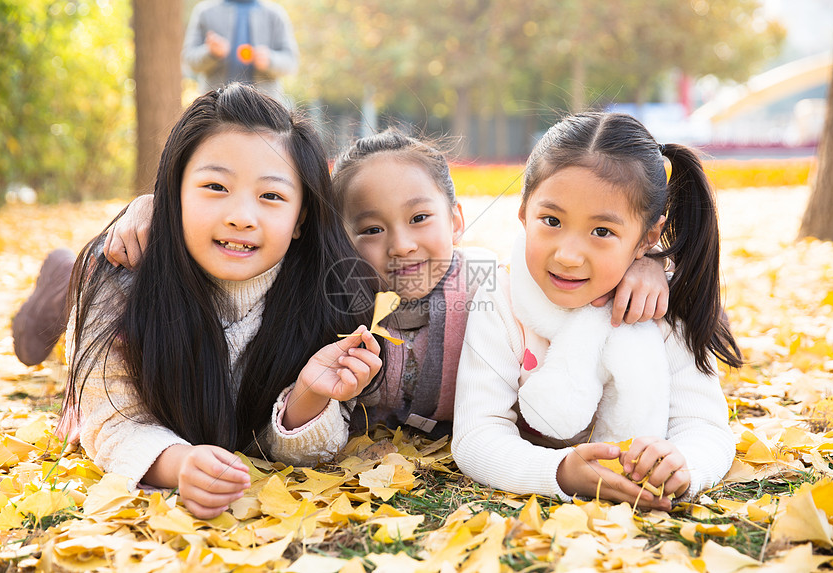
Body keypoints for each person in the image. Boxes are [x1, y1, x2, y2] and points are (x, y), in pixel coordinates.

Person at [104, 128, 671, 442]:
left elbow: (567, 265)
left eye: (420, 219)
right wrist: (149, 206)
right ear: (341, 237)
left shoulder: (478, 280)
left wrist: (650, 266)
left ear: (454, 220)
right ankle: (62, 279)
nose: (400, 244)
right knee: (91, 277)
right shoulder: (332, 294)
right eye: (371, 229)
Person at [56, 84, 384, 519]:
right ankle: (57, 278)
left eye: (271, 196)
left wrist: (308, 395)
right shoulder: (120, 281)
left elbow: (278, 446)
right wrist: (177, 464)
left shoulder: (321, 294)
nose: (242, 216)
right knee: (60, 313)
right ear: (173, 192)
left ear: (301, 218)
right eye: (215, 186)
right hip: (92, 295)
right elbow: (111, 419)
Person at [451, 112, 742, 510]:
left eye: (602, 231)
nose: (568, 256)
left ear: (648, 238)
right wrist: (559, 472)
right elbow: (476, 435)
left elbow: (705, 426)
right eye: (551, 220)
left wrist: (683, 464)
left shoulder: (662, 307)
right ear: (523, 214)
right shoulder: (500, 301)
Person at [182, 0, 299, 100]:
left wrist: (270, 60)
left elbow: (291, 62)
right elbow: (189, 60)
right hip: (215, 106)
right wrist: (211, 53)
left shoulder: (275, 14)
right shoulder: (205, 12)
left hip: (264, 109)